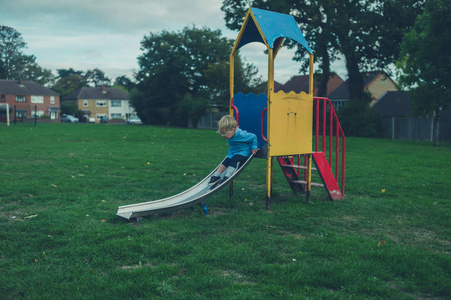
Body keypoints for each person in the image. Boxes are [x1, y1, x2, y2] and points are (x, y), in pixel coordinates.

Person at [208, 115, 258, 185]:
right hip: (233, 152)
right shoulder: (230, 134)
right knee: (226, 161)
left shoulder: (241, 135)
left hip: (243, 152)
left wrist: (253, 147)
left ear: (233, 130)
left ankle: (227, 176)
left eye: (224, 133)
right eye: (221, 133)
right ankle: (216, 176)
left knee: (235, 159)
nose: (222, 135)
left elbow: (253, 137)